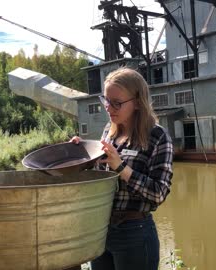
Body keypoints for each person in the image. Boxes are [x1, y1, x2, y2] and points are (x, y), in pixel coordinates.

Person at [69, 67, 174, 270]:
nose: (109, 107)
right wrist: (83, 153)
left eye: (116, 103)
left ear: (137, 102)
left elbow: (158, 194)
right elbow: (101, 176)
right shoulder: (109, 132)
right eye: (106, 101)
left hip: (135, 232)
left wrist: (121, 167)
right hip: (102, 229)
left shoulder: (158, 137)